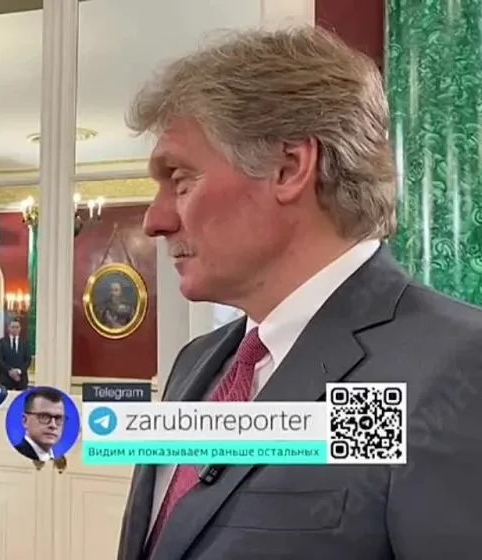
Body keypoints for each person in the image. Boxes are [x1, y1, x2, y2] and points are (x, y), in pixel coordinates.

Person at [116, 27, 482, 560]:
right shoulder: (195, 364)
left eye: (182, 179)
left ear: (288, 168)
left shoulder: (456, 367)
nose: (154, 220)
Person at [11, 387, 65, 462]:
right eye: (44, 417)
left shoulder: (57, 457)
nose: (53, 425)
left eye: (58, 418)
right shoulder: (14, 456)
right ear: (25, 421)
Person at [0, 318, 31, 390]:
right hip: (5, 379)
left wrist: (18, 371)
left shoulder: (25, 342)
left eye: (17, 327)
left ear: (20, 328)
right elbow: (0, 360)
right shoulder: (2, 342)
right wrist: (10, 371)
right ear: (8, 328)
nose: (15, 329)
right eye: (13, 327)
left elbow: (28, 360)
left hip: (21, 379)